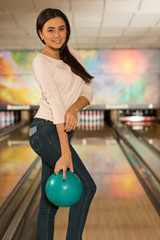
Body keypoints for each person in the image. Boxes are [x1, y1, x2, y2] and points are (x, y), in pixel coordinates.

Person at [29, 8, 97, 240]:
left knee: (49, 204)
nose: (57, 35)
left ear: (67, 30)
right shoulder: (41, 61)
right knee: (87, 187)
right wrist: (65, 152)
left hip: (59, 130)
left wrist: (74, 108)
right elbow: (55, 103)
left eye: (61, 29)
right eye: (50, 30)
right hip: (46, 130)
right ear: (41, 34)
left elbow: (88, 89)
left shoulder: (72, 54)